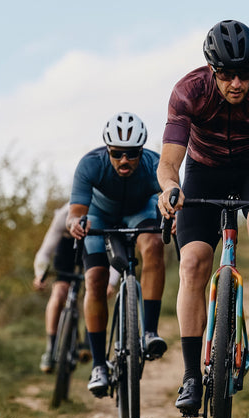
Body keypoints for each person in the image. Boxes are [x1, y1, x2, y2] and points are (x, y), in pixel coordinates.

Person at [156, 20, 249, 415]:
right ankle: (191, 375)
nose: (236, 83)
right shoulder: (188, 91)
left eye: (244, 73)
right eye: (226, 74)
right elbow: (169, 162)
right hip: (204, 171)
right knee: (192, 262)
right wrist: (169, 188)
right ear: (212, 69)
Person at [67, 112, 168, 398]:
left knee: (154, 244)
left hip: (140, 211)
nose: (124, 160)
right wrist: (75, 223)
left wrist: (174, 218)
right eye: (117, 153)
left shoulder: (155, 164)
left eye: (132, 153)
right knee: (96, 279)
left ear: (141, 151)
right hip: (99, 216)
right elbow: (75, 212)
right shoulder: (91, 164)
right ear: (107, 149)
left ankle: (149, 332)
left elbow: (173, 199)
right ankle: (99, 365)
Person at [33, 202, 119, 373]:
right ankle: (51, 348)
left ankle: (88, 341)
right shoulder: (62, 215)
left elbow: (113, 251)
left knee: (95, 287)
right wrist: (40, 274)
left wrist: (110, 283)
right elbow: (44, 251)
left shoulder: (102, 209)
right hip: (66, 249)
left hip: (92, 242)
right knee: (59, 293)